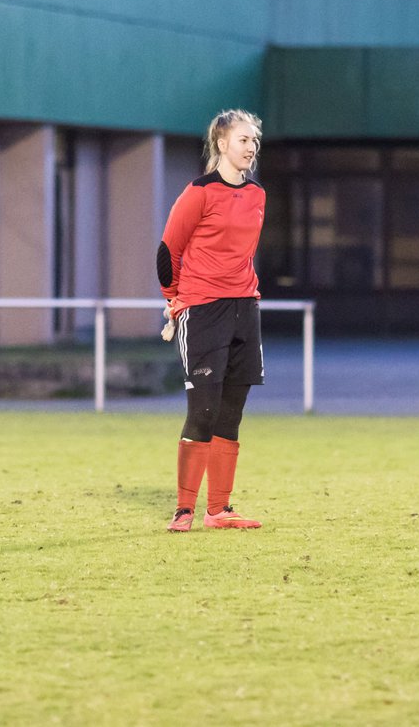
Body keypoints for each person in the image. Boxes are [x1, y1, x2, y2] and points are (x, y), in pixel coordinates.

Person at [156, 109, 267, 532]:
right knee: (202, 409)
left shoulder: (257, 194)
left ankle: (218, 510)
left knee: (231, 414)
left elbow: (242, 256)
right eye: (243, 140)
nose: (250, 148)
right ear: (222, 143)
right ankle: (184, 510)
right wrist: (175, 301)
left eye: (254, 141)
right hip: (202, 310)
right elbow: (168, 251)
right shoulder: (198, 192)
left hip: (245, 309)